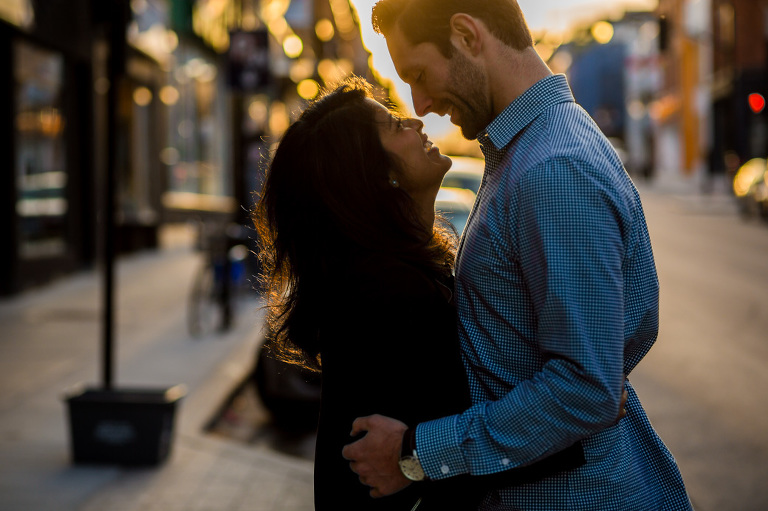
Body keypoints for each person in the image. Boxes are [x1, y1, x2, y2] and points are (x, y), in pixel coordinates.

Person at [341, 1, 694, 509]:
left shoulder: (552, 170)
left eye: (419, 74)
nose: (419, 103)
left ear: (466, 35)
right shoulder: (526, 152)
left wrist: (414, 454)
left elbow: (586, 389)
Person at [255, 77, 584, 510]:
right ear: (376, 177)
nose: (413, 120)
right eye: (393, 125)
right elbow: (444, 455)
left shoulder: (383, 275)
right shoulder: (390, 291)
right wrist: (576, 419)